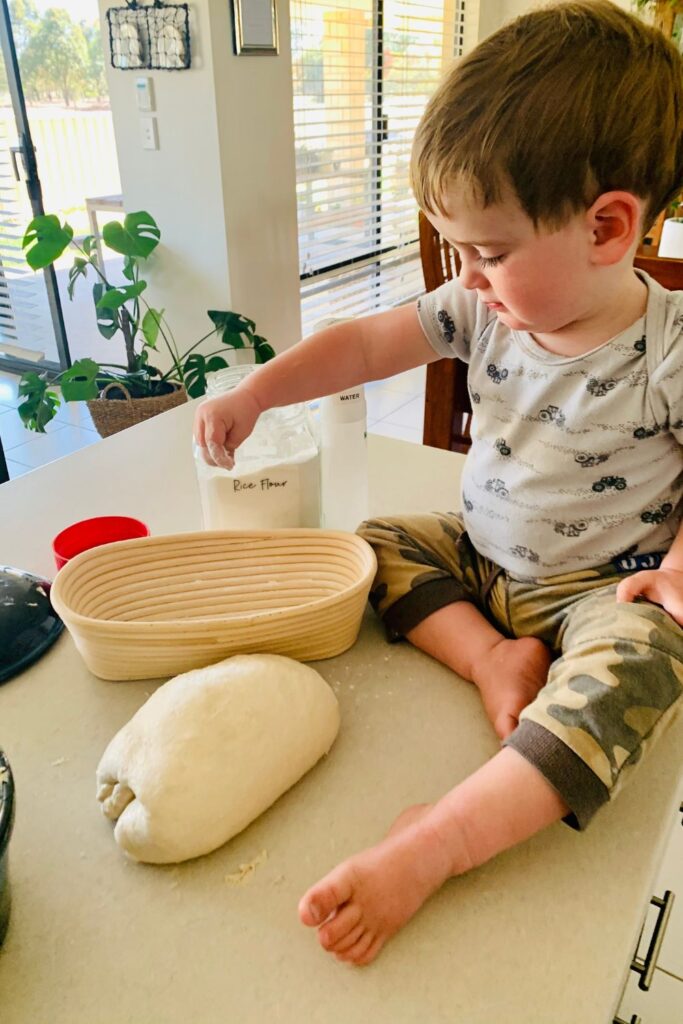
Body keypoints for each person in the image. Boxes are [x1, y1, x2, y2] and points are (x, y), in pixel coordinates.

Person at [194, 0, 683, 967]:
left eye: (490, 252)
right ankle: (487, 659)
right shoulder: (483, 307)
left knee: (647, 662)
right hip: (480, 555)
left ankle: (444, 837)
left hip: (600, 591)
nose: (467, 276)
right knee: (364, 543)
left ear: (607, 227)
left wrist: (675, 572)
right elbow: (367, 342)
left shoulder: (666, 349)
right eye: (456, 250)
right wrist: (255, 391)